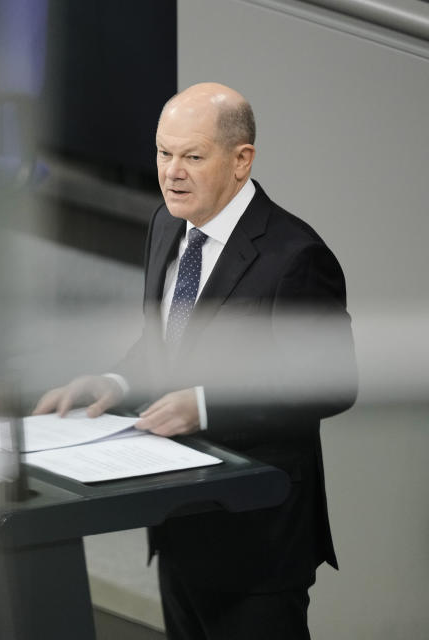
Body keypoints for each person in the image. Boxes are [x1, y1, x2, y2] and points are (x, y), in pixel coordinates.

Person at [33, 83, 356, 639]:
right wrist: (114, 381)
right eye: (163, 153)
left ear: (241, 160)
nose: (171, 172)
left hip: (256, 540)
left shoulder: (296, 257)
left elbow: (331, 384)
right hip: (178, 518)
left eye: (191, 156)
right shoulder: (166, 223)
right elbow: (163, 342)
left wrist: (205, 405)